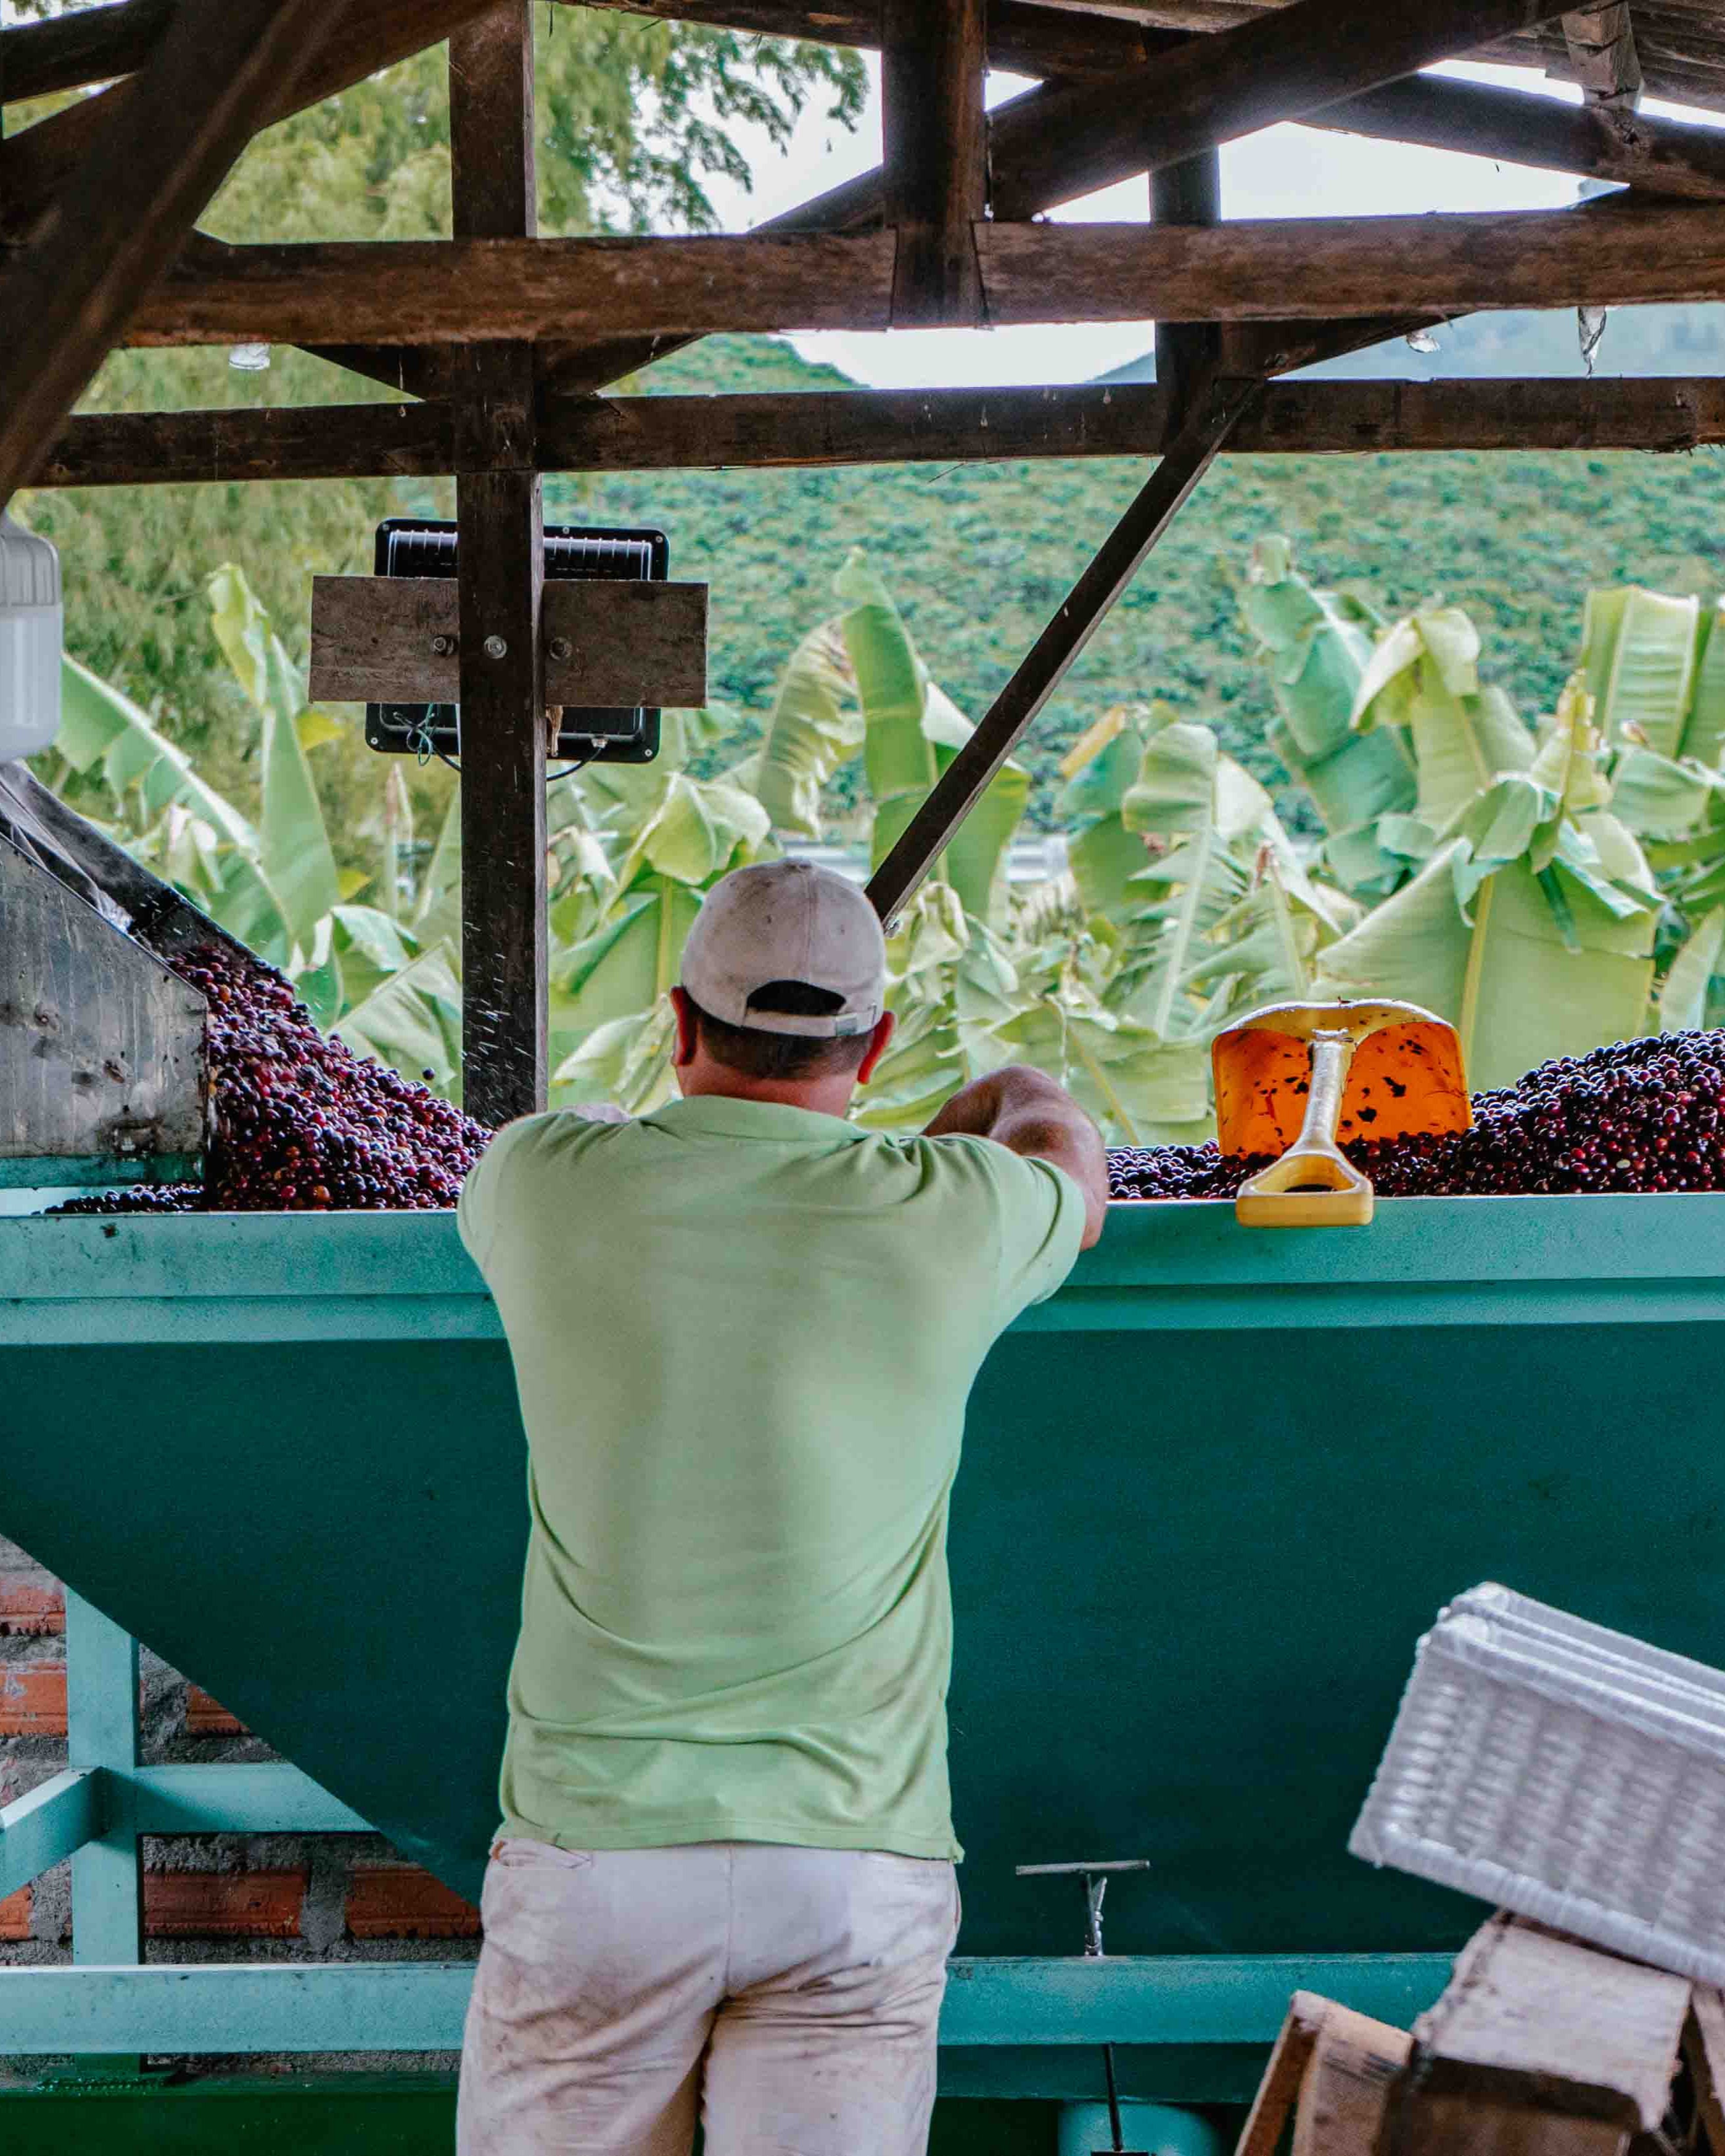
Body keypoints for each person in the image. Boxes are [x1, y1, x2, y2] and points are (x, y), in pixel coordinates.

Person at [455, 858, 1108, 2156]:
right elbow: (1073, 1173)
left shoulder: (543, 1183)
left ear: (678, 1023)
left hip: (596, 1861)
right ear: (874, 1040)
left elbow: (574, 1126)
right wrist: (1010, 1094)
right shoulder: (954, 1211)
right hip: (853, 1872)